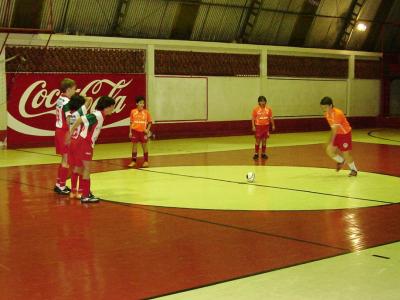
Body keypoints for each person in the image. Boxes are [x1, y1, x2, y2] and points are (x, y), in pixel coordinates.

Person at [67, 96, 116, 203]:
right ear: (108, 107)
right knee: (86, 169)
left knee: (79, 167)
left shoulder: (98, 114)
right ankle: (85, 195)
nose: (113, 109)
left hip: (82, 141)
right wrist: (70, 133)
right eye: (113, 107)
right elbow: (80, 119)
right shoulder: (97, 115)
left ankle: (77, 191)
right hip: (86, 143)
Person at [320, 96, 358, 176]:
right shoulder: (327, 114)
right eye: (322, 107)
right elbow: (333, 128)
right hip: (337, 134)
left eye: (325, 107)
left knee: (346, 154)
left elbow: (334, 130)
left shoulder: (337, 114)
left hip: (344, 134)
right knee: (329, 151)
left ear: (330, 105)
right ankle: (341, 161)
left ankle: (354, 170)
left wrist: (329, 142)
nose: (324, 109)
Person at [67, 95, 93, 199]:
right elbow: (90, 99)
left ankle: (73, 191)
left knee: (75, 167)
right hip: (78, 143)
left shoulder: (70, 114)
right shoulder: (80, 111)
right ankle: (81, 191)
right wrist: (82, 96)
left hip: (71, 143)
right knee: (81, 168)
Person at [54, 78, 77, 195]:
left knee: (63, 158)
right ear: (68, 89)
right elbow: (69, 121)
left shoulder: (60, 99)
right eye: (74, 89)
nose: (75, 91)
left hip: (58, 131)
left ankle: (59, 183)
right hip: (64, 132)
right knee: (66, 160)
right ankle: (62, 186)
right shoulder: (67, 102)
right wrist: (78, 120)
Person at [128, 96, 152, 168]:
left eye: (143, 103)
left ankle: (146, 161)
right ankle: (133, 161)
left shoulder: (146, 112)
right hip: (134, 131)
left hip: (143, 132)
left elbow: (150, 122)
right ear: (137, 103)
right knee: (134, 146)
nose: (142, 104)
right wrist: (130, 132)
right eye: (140, 103)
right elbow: (131, 123)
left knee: (144, 146)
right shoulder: (133, 111)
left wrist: (147, 130)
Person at [252, 96, 275, 160]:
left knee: (264, 141)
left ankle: (263, 153)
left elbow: (271, 117)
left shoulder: (268, 109)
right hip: (258, 127)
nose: (263, 102)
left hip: (266, 127)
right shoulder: (255, 109)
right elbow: (253, 118)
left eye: (264, 101)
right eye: (261, 101)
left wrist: (273, 125)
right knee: (258, 141)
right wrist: (253, 126)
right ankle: (256, 153)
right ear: (259, 102)